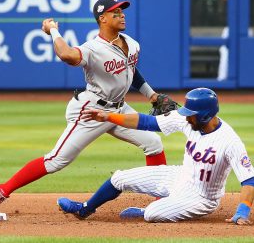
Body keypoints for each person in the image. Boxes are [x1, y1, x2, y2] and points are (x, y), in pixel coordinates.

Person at [0, 0, 167, 213]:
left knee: (154, 143)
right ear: (103, 19)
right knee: (56, 160)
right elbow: (66, 54)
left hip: (119, 109)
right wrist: (53, 31)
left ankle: (160, 200)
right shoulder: (93, 48)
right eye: (115, 12)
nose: (122, 15)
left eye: (122, 11)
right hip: (91, 110)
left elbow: (131, 70)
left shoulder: (132, 44)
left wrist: (151, 95)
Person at [57, 88, 254, 225]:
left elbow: (249, 179)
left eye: (190, 114)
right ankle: (84, 209)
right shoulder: (188, 120)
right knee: (119, 178)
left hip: (202, 197)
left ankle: (147, 211)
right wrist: (109, 116)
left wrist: (243, 211)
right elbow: (147, 122)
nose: (185, 116)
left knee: (152, 213)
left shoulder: (230, 141)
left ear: (204, 116)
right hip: (180, 176)